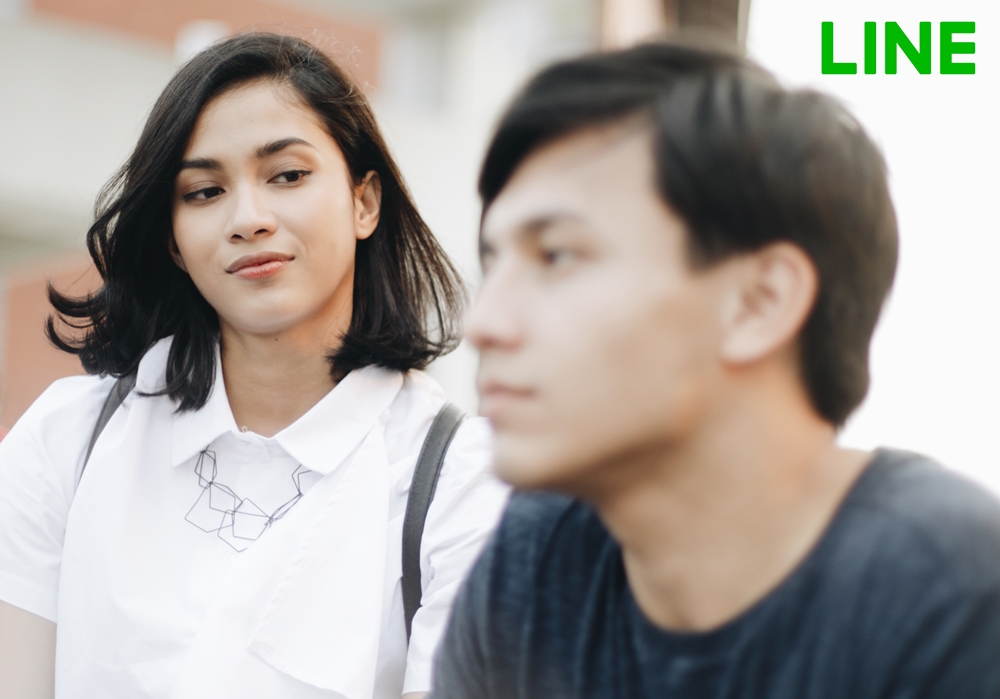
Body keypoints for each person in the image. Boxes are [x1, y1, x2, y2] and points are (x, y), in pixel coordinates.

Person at [430, 40, 1000, 698]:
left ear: (759, 302)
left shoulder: (951, 593)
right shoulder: (534, 563)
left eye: (556, 255)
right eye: (494, 262)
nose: (483, 324)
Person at [0, 33, 508, 699]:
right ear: (174, 242)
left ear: (364, 201)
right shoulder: (65, 443)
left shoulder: (464, 480)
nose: (248, 219)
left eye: (287, 176)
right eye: (205, 191)